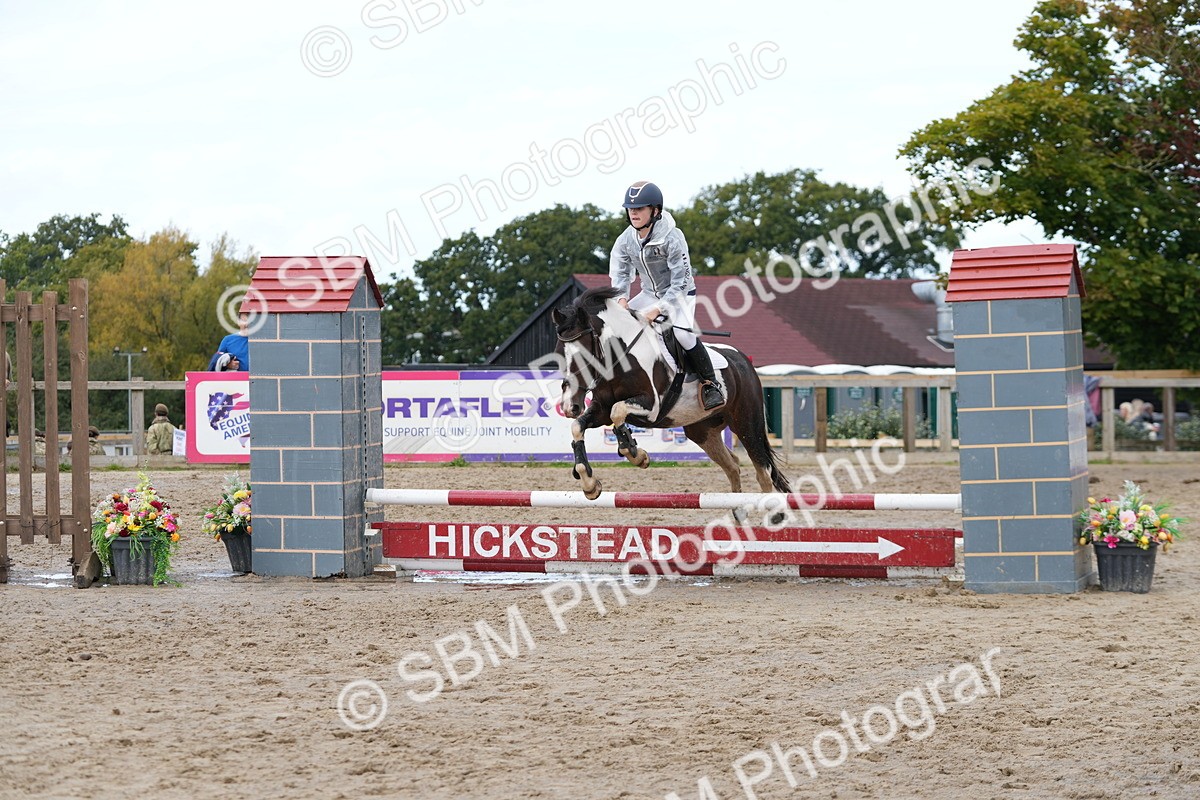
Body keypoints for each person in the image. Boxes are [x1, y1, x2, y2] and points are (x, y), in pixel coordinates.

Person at [609, 180, 724, 410]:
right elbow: (620, 273)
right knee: (613, 326)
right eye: (631, 209)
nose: (634, 213)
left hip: (680, 294)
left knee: (683, 336)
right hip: (648, 293)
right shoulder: (625, 240)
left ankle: (711, 384)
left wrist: (657, 310)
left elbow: (680, 282)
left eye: (639, 208)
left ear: (655, 210)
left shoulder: (673, 237)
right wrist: (621, 300)